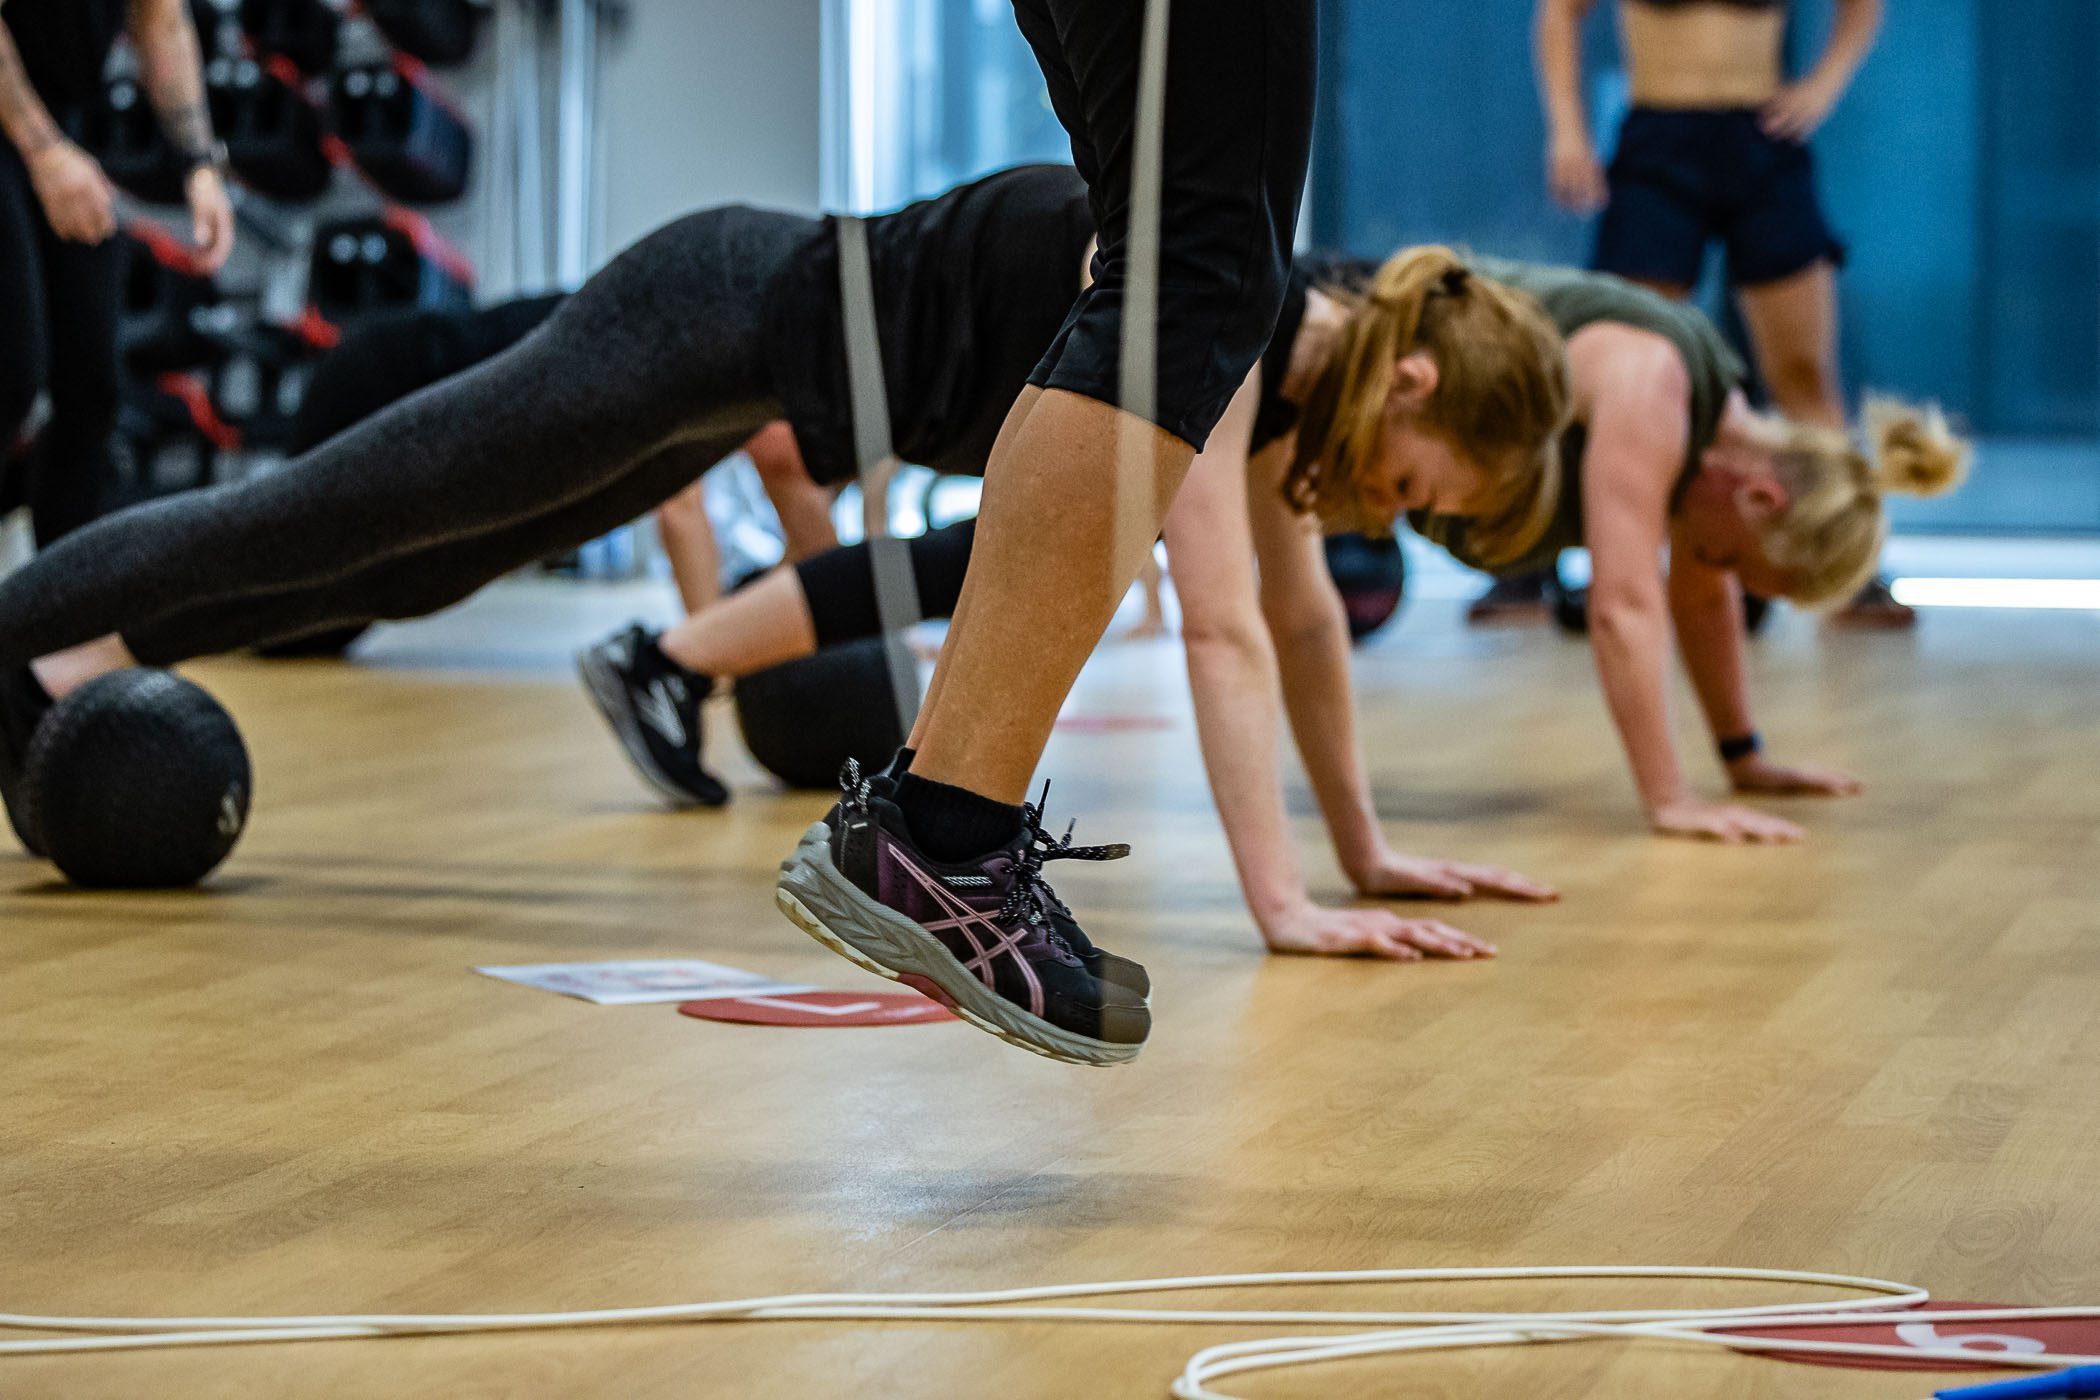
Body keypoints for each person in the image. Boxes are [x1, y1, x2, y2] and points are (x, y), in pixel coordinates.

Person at [0, 164, 1101, 864]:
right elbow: (1232, 629)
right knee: (300, 519)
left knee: (409, 574)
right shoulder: (1152, 291)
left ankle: (55, 669)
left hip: (729, 380)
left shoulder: (1189, 373)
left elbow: (984, 558)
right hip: (708, 307)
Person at [597, 246, 1572, 961]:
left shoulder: (1306, 362)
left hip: (1006, 317)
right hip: (929, 300)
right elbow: (1224, 627)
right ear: (1413, 384)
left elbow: (1305, 617)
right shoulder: (1251, 333)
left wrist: (1365, 851)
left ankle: (669, 659)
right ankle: (668, 660)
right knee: (977, 559)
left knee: (974, 561)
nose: (1391, 510)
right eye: (1412, 485)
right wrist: (1284, 907)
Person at [1414, 256, 1965, 843]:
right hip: (1346, 337)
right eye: (1733, 560)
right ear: (1759, 498)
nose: (1715, 569)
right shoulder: (1656, 391)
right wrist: (1670, 798)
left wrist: (1743, 757)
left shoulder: (1710, 441)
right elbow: (1622, 605)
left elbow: (1702, 598)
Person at [1500, 0, 1909, 627]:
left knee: (1804, 372)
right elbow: (1560, 12)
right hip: (1658, 142)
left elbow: (1863, 7)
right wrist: (1568, 128)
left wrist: (1824, 85)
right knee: (1615, 374)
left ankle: (1852, 569)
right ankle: (1554, 558)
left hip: (1763, 141)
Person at [287, 297, 840, 629]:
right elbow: (682, 510)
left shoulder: (731, 359)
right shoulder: (690, 350)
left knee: (316, 620)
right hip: (380, 385)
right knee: (281, 613)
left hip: (400, 400)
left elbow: (802, 511)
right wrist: (713, 658)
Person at [0, 0, 235, 544]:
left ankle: (67, 608)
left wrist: (198, 164)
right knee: (11, 373)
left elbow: (161, 18)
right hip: (20, 126)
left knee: (92, 388)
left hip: (67, 118)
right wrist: (46, 155)